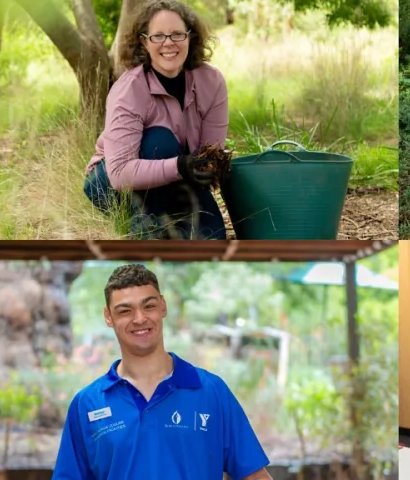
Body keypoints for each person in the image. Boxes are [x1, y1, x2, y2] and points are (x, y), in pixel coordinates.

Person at [53, 264, 272, 480]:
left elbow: (254, 476)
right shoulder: (87, 403)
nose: (139, 318)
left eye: (148, 306)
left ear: (163, 307)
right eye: (125, 311)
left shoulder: (211, 391)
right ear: (108, 317)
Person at [82, 0, 226, 240]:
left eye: (177, 34)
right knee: (160, 141)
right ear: (143, 41)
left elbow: (210, 152)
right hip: (112, 184)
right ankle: (147, 229)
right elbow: (119, 173)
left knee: (213, 240)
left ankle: (165, 224)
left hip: (178, 177)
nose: (168, 43)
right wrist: (181, 165)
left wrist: (208, 168)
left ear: (190, 37)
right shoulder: (128, 90)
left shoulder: (211, 81)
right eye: (157, 36)